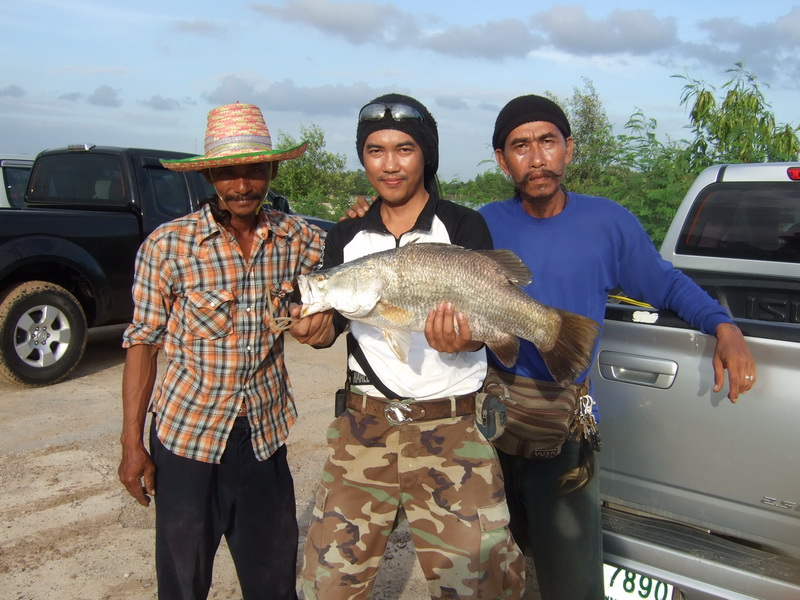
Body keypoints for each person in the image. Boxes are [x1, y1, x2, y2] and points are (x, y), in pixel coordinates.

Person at [478, 94, 757, 600]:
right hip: (489, 420)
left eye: (548, 142)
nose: (536, 158)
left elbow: (665, 284)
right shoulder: (481, 223)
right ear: (501, 159)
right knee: (492, 570)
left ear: (569, 149)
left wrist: (724, 326)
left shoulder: (608, 223)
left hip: (563, 425)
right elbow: (420, 255)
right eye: (520, 146)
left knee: (573, 579)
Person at [289, 93, 525, 600]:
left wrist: (464, 339)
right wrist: (313, 331)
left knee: (482, 587)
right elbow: (332, 323)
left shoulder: (463, 225)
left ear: (426, 155)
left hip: (454, 428)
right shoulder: (346, 236)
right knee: (326, 586)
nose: (389, 165)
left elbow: (484, 315)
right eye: (375, 151)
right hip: (363, 429)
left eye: (404, 149)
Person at [117, 102, 325, 600]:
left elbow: (360, 251)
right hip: (187, 442)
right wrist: (131, 443)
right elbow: (143, 344)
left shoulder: (299, 240)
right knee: (183, 585)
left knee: (274, 584)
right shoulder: (168, 246)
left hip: (263, 439)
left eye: (253, 169)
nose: (242, 184)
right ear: (209, 174)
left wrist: (366, 214)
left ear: (271, 169)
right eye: (228, 172)